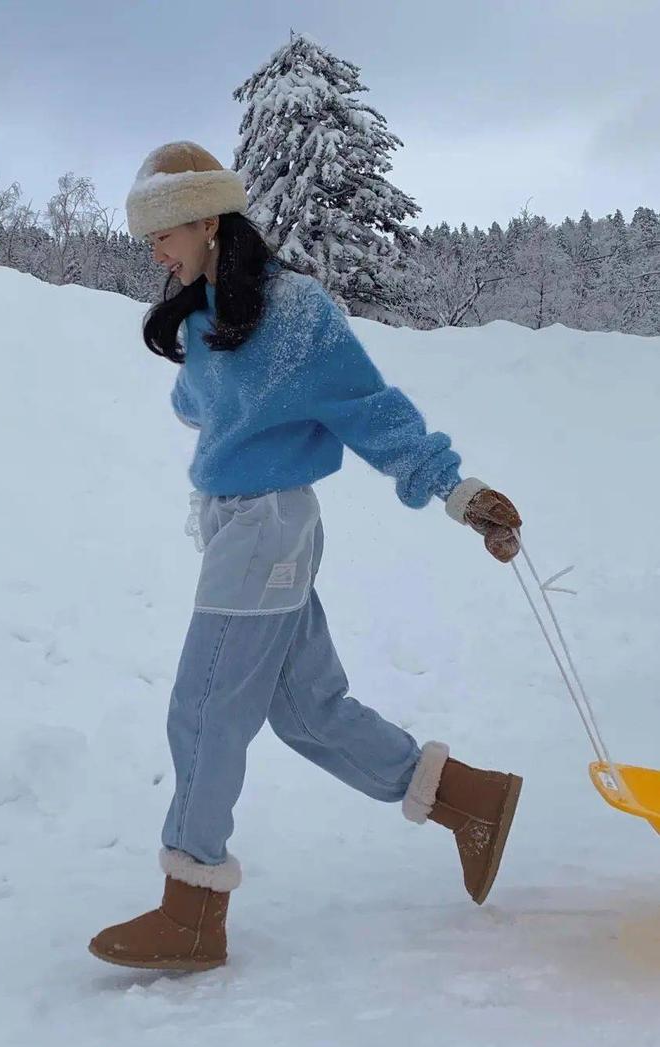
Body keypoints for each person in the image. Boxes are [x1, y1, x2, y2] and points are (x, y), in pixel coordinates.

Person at [89, 141, 524, 973]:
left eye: (163, 233)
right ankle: (471, 799)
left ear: (209, 217)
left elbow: (370, 408)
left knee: (204, 708)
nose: (155, 251)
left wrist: (457, 491)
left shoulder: (297, 312)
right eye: (148, 238)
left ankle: (193, 909)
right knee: (307, 710)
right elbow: (203, 406)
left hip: (267, 531)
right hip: (240, 527)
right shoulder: (210, 311)